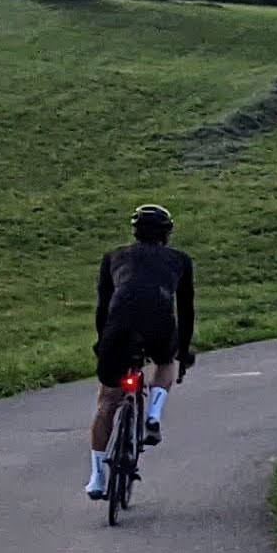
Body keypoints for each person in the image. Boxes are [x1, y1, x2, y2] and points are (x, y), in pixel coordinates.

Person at [88, 204, 195, 501]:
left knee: (107, 400)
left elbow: (102, 308)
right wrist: (182, 353)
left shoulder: (113, 257)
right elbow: (186, 310)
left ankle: (97, 477)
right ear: (167, 234)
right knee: (165, 362)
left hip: (119, 324)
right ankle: (154, 415)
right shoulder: (180, 260)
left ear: (134, 232)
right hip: (160, 320)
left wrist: (103, 344)